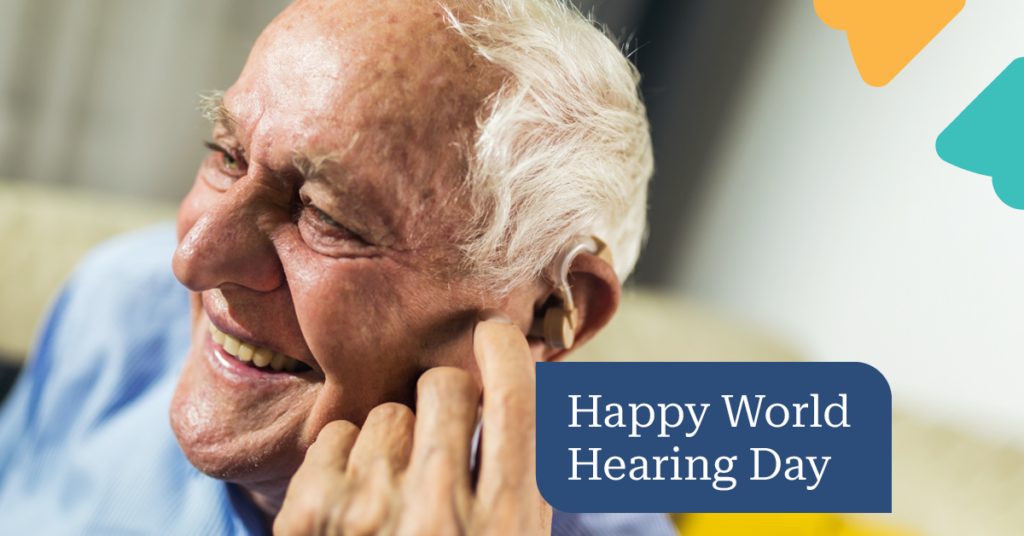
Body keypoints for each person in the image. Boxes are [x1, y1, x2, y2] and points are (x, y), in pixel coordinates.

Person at [0, 0, 671, 534]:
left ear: (552, 311)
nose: (192, 261)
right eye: (227, 155)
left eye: (327, 217)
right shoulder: (116, 305)